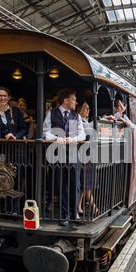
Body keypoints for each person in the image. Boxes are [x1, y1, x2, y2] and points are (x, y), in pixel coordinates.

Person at [43, 88, 86, 226]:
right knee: (61, 185)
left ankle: (74, 214)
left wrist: (73, 139)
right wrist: (56, 138)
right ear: (66, 100)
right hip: (58, 154)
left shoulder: (76, 116)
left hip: (74, 154)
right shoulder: (51, 114)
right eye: (74, 99)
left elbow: (82, 135)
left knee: (75, 185)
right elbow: (45, 133)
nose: (76, 102)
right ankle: (64, 216)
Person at [76, 101, 98, 215]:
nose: (88, 110)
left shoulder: (85, 121)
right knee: (86, 184)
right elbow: (89, 131)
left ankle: (79, 206)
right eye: (86, 108)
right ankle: (94, 208)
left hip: (88, 154)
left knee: (85, 184)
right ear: (80, 110)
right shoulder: (79, 121)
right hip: (83, 155)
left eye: (89, 108)